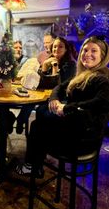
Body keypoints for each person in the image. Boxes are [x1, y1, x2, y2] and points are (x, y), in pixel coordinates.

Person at [16, 36, 109, 177]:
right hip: (76, 127)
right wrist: (54, 100)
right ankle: (35, 164)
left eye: (93, 51)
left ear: (102, 56)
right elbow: (58, 87)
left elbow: (99, 103)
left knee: (37, 125)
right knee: (42, 117)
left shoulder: (102, 78)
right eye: (85, 50)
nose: (87, 54)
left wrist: (66, 108)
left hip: (84, 138)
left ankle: (32, 166)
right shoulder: (84, 75)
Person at [16, 36, 76, 134]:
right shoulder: (49, 61)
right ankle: (21, 120)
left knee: (41, 110)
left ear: (66, 49)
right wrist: (44, 66)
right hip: (46, 96)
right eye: (55, 47)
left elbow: (60, 85)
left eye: (60, 47)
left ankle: (24, 123)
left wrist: (55, 67)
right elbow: (41, 81)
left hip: (61, 98)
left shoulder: (70, 65)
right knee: (30, 99)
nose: (56, 49)